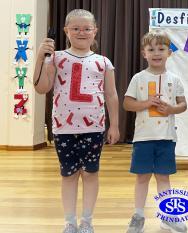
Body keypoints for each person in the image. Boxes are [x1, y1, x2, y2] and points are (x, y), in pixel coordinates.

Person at [33, 9, 120, 233]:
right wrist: (39, 58)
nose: (81, 32)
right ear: (66, 31)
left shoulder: (103, 61)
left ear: (95, 32)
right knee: (69, 174)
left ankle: (87, 221)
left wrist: (115, 124)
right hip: (64, 127)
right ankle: (70, 221)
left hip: (95, 126)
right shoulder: (56, 57)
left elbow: (111, 94)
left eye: (86, 28)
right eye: (75, 28)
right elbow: (42, 87)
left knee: (90, 173)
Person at [123, 30, 187, 233]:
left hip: (167, 138)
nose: (156, 53)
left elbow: (183, 105)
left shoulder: (175, 79)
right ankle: (138, 215)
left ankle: (168, 216)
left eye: (161, 49)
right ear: (144, 53)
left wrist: (171, 109)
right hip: (143, 138)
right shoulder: (138, 78)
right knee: (142, 177)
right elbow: (127, 103)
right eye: (151, 49)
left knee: (163, 177)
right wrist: (145, 103)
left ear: (169, 52)